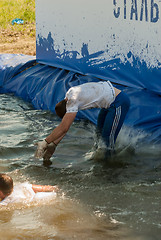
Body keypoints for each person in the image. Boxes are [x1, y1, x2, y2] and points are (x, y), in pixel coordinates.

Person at [35, 81, 130, 162]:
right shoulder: (69, 94)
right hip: (108, 102)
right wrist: (54, 144)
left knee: (107, 140)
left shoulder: (72, 102)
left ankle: (109, 167)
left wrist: (45, 142)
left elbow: (64, 128)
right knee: (98, 135)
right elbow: (65, 127)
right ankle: (99, 159)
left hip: (118, 102)